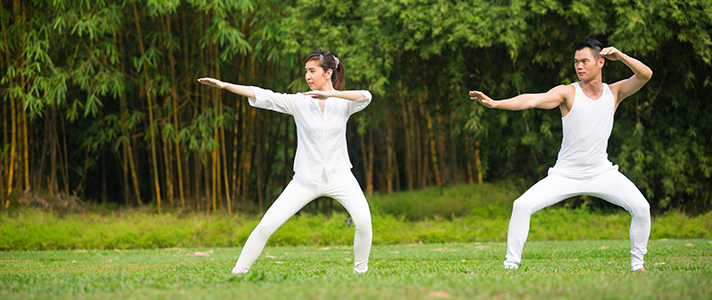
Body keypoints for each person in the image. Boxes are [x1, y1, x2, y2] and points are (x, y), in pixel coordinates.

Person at [469, 38, 653, 271]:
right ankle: (510, 266)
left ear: (601, 62)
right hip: (565, 175)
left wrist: (622, 56)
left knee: (642, 208)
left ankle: (638, 266)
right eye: (576, 62)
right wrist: (496, 104)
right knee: (521, 205)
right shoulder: (567, 93)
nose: (579, 66)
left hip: (602, 172)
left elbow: (645, 75)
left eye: (585, 61)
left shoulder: (614, 92)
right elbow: (531, 100)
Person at [198, 49, 373, 274]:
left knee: (364, 223)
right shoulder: (298, 102)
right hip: (305, 179)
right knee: (265, 226)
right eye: (306, 72)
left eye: (312, 71)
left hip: (340, 176)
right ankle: (237, 273)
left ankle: (361, 273)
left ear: (328, 73)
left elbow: (366, 95)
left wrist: (332, 95)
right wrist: (224, 85)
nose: (308, 76)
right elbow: (262, 94)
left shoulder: (344, 103)